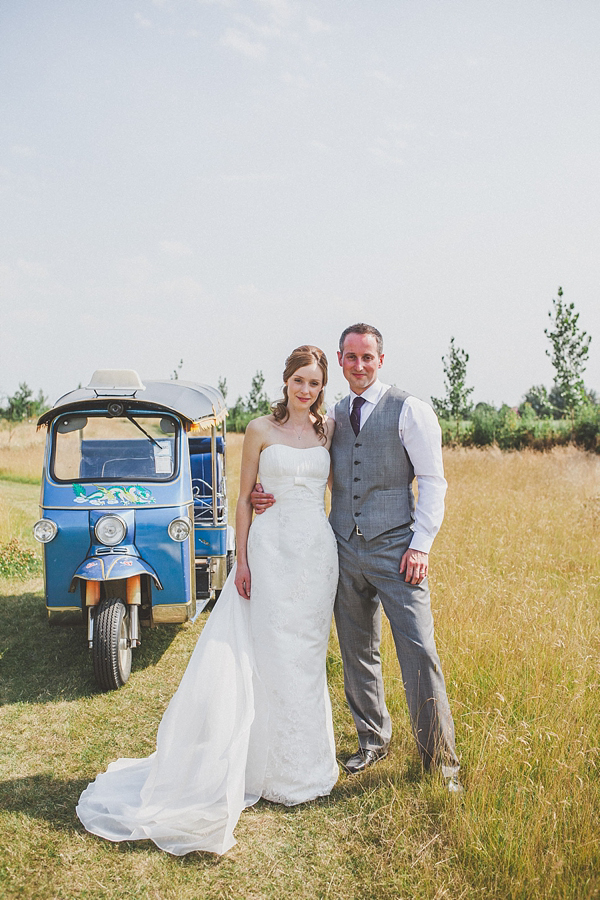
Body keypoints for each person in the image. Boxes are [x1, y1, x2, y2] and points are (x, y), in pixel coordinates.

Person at [76, 345, 339, 855]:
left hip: (316, 554)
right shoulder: (261, 430)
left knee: (307, 657)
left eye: (314, 383)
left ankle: (307, 766)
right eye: (299, 380)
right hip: (271, 548)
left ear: (321, 388)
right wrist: (241, 559)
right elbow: (242, 498)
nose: (306, 390)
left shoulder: (329, 431)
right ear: (285, 381)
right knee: (269, 653)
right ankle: (259, 765)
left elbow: (331, 490)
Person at [252, 325, 462, 792]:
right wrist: (267, 494)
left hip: (398, 550)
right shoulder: (333, 417)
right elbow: (308, 466)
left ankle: (441, 761)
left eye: (367, 357)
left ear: (381, 360)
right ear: (340, 363)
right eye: (350, 357)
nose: (358, 365)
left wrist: (421, 545)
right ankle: (373, 739)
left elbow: (433, 481)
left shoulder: (410, 410)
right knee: (357, 650)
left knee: (418, 651)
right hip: (342, 547)